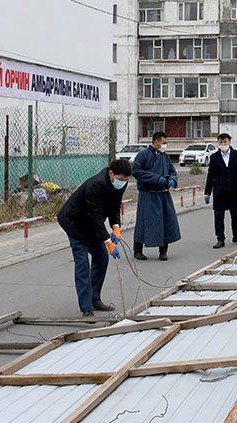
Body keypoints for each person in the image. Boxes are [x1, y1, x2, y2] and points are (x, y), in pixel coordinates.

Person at [58, 159, 130, 317]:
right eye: (121, 179)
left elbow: (114, 206)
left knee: (102, 257)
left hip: (91, 223)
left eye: (125, 180)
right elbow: (95, 217)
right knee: (82, 263)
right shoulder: (96, 185)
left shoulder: (120, 183)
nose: (123, 183)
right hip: (74, 223)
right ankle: (86, 308)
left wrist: (116, 227)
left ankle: (94, 298)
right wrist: (108, 241)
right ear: (111, 173)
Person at [131, 131, 180, 261]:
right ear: (156, 141)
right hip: (148, 193)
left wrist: (173, 180)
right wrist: (156, 179)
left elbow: (172, 171)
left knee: (165, 221)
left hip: (163, 194)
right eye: (164, 143)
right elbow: (136, 171)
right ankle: (137, 249)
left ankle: (163, 251)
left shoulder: (164, 156)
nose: (165, 145)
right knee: (143, 221)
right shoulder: (143, 155)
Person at [203, 133, 237, 248]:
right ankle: (220, 238)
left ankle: (236, 236)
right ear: (218, 143)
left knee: (236, 215)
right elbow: (210, 176)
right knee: (219, 216)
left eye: (225, 142)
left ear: (229, 141)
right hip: (219, 191)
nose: (223, 144)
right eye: (221, 142)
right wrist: (207, 192)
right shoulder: (214, 158)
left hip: (234, 190)